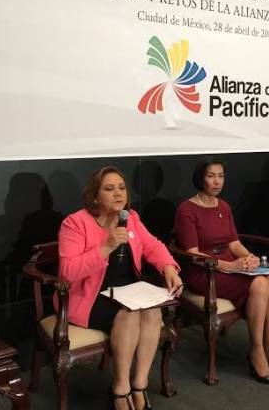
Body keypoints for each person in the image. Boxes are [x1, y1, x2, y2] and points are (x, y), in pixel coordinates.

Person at [58, 166, 183, 410]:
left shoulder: (130, 218)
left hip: (128, 291)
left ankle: (139, 384)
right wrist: (106, 246)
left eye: (122, 188)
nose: (118, 194)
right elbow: (68, 272)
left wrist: (168, 267)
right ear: (95, 196)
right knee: (129, 315)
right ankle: (120, 388)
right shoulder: (75, 223)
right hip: (89, 296)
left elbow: (152, 245)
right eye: (109, 189)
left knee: (153, 311)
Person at [174, 156, 269, 385]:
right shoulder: (186, 209)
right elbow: (194, 255)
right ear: (200, 178)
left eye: (220, 176)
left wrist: (248, 258)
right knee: (259, 284)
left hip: (230, 265)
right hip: (204, 272)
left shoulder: (224, 206)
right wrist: (231, 266)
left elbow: (234, 244)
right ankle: (256, 351)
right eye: (211, 176)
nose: (217, 181)